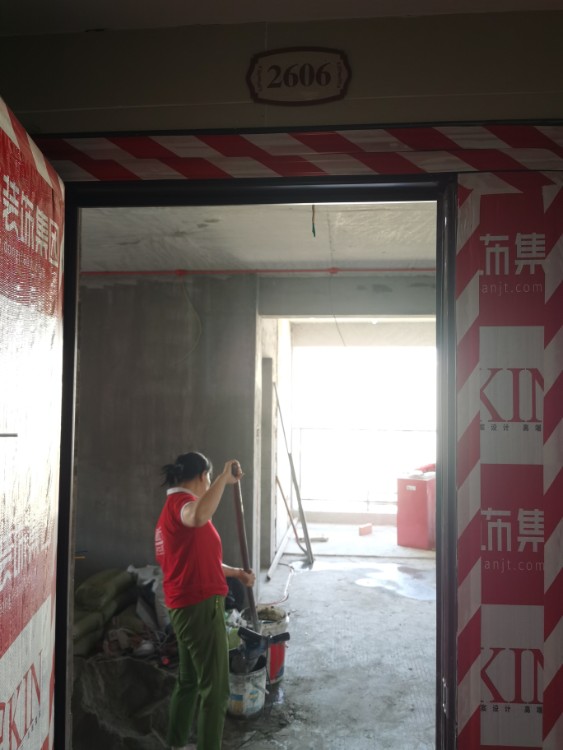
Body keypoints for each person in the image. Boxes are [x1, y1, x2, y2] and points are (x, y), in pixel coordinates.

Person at [155, 451, 256, 750]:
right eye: (209, 478)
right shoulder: (183, 506)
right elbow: (199, 515)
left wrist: (236, 573)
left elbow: (201, 560)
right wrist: (224, 478)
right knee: (216, 690)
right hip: (199, 607)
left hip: (183, 607)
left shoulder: (170, 512)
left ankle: (175, 744)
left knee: (189, 681)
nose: (210, 483)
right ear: (202, 476)